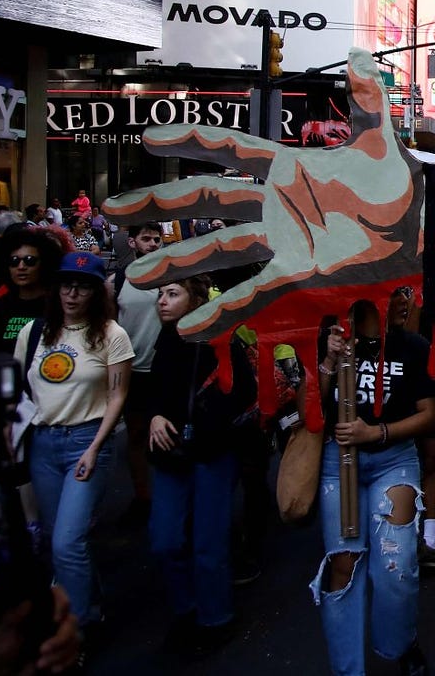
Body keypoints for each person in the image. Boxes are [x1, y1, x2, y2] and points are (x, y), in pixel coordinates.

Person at [313, 298, 435, 676]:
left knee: (395, 563)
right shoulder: (329, 339)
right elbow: (311, 411)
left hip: (394, 460)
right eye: (394, 294)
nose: (405, 302)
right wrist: (329, 363)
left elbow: (430, 414)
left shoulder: (411, 346)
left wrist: (377, 431)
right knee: (343, 565)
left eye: (405, 293)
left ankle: (400, 640)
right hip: (339, 464)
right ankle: (347, 669)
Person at [17, 252, 133, 640]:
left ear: (95, 292)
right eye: (66, 284)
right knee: (58, 539)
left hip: (86, 441)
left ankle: (76, 631)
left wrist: (96, 447)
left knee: (68, 540)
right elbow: (22, 390)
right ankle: (90, 604)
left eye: (82, 287)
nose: (72, 293)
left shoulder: (112, 334)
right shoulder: (34, 332)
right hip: (44, 443)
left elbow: (117, 397)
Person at [147, 274, 257, 657]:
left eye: (172, 294)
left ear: (194, 301)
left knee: (208, 543)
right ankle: (184, 610)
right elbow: (155, 389)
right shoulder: (165, 340)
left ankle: (215, 617)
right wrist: (156, 415)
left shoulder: (220, 337)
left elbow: (244, 390)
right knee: (165, 539)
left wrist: (212, 424)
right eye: (161, 294)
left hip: (212, 452)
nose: (162, 301)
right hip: (171, 451)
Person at [112, 223, 166, 532]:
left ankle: (168, 498)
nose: (152, 244)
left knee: (165, 437)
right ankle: (143, 497)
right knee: (135, 435)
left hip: (162, 370)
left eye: (156, 239)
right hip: (133, 369)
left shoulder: (169, 276)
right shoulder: (120, 280)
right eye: (146, 238)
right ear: (132, 242)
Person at [0, 225, 62, 355]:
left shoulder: (58, 305)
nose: (21, 267)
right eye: (14, 261)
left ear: (44, 263)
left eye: (29, 260)